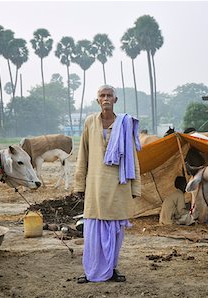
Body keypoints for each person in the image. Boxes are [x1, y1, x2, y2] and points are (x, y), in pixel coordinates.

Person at [74, 84, 142, 284]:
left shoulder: (125, 123)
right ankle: (92, 271)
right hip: (94, 185)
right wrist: (79, 185)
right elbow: (82, 155)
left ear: (115, 100)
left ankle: (111, 269)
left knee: (115, 232)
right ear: (97, 100)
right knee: (93, 232)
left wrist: (135, 186)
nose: (106, 98)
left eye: (109, 95)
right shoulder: (89, 122)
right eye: (102, 95)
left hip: (118, 185)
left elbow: (132, 157)